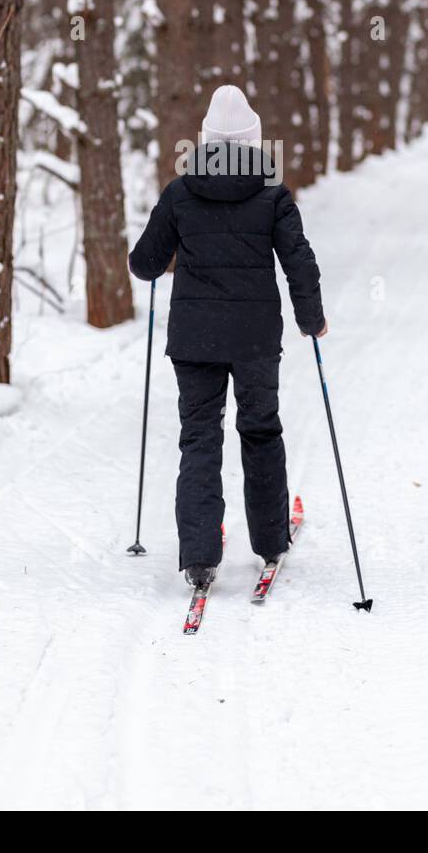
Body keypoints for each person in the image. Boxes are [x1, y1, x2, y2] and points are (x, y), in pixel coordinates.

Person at [129, 84, 327, 589]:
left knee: (200, 438)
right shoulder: (272, 193)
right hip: (256, 338)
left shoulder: (179, 192)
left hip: (195, 341)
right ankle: (269, 540)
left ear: (207, 141)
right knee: (261, 431)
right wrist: (312, 320)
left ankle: (198, 556)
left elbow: (144, 263)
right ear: (254, 141)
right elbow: (299, 263)